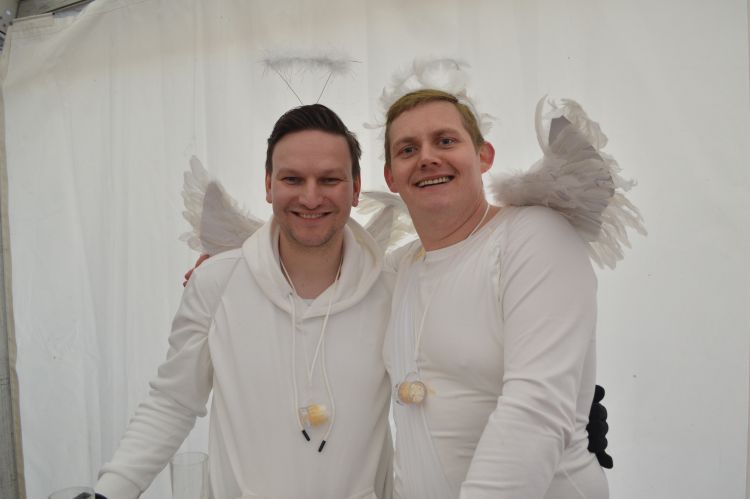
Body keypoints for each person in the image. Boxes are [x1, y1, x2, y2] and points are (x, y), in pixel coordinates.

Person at [96, 104, 394, 499]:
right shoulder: (216, 283)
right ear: (269, 185)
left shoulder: (392, 289)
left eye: (329, 179)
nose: (310, 197)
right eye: (292, 178)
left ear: (355, 189)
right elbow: (173, 402)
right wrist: (108, 492)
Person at [382, 89, 615, 498]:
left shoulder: (533, 236)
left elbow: (536, 409)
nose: (427, 157)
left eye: (445, 141)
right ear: (390, 177)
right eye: (407, 149)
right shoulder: (397, 269)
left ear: (484, 155)